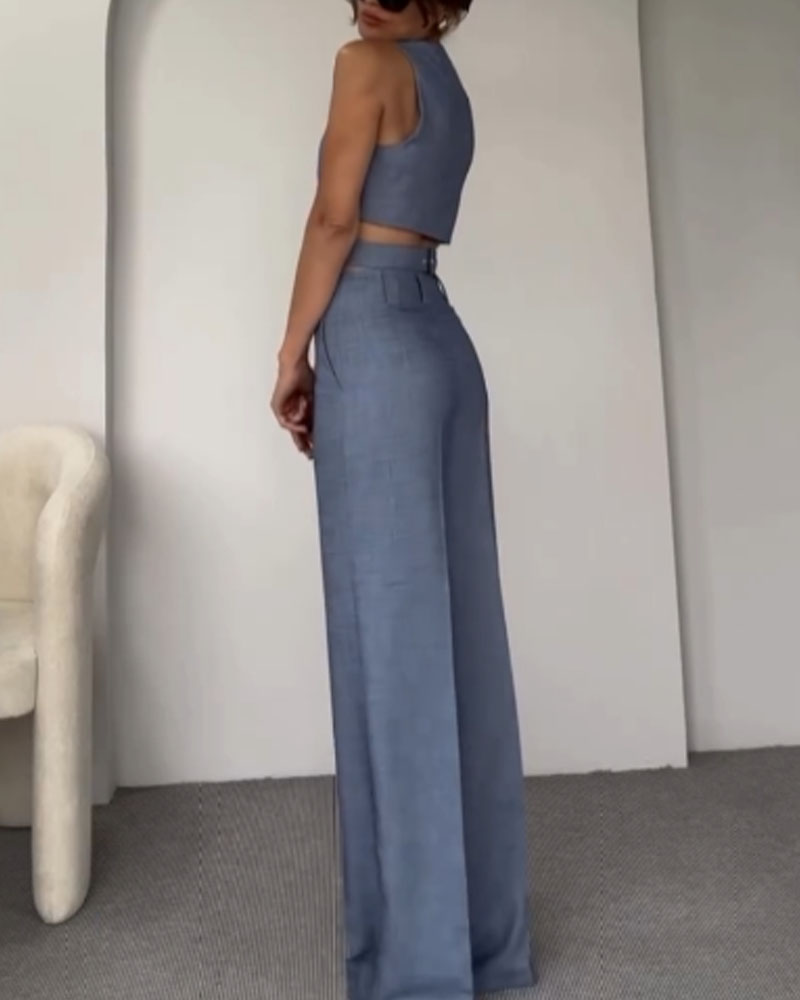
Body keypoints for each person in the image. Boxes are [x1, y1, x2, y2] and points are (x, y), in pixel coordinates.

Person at [270, 2, 540, 997]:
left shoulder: (365, 61)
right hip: (440, 338)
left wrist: (291, 353)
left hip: (374, 342)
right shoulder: (445, 81)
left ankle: (418, 969)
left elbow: (334, 217)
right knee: (457, 644)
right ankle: (482, 947)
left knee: (390, 651)